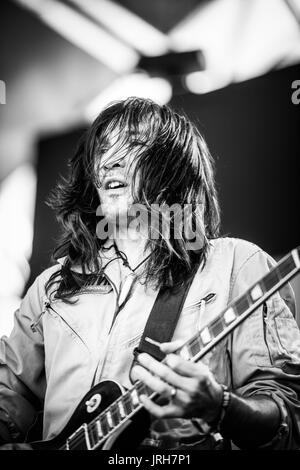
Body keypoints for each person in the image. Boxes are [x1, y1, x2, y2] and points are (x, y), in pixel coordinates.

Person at [0, 97, 300, 451]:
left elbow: (289, 421)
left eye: (132, 145)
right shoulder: (50, 288)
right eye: (102, 149)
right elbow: (9, 397)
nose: (108, 161)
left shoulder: (237, 265)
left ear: (171, 167)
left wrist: (221, 407)